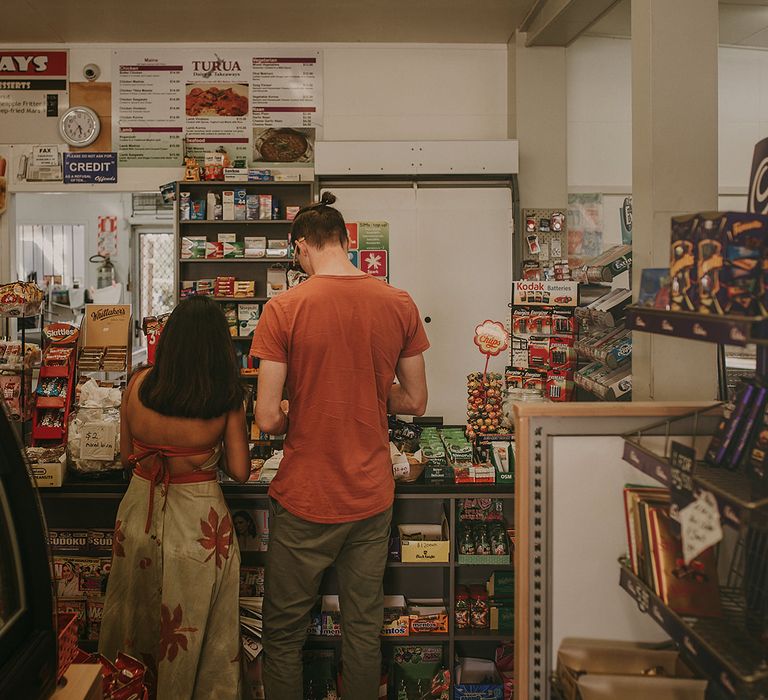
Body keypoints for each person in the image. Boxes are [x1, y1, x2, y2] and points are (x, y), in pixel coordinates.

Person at [250, 191, 429, 699]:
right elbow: (414, 400)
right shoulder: (398, 303)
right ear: (346, 241)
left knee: (283, 635)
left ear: (302, 247)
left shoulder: (283, 307)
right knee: (362, 629)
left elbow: (265, 417)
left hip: (306, 495)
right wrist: (368, 389)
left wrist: (297, 406)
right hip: (370, 496)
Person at [99, 295, 250, 700]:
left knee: (133, 623)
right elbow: (240, 470)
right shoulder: (225, 397)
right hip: (199, 528)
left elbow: (127, 454)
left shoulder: (137, 384)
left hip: (138, 514)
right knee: (200, 631)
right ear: (218, 346)